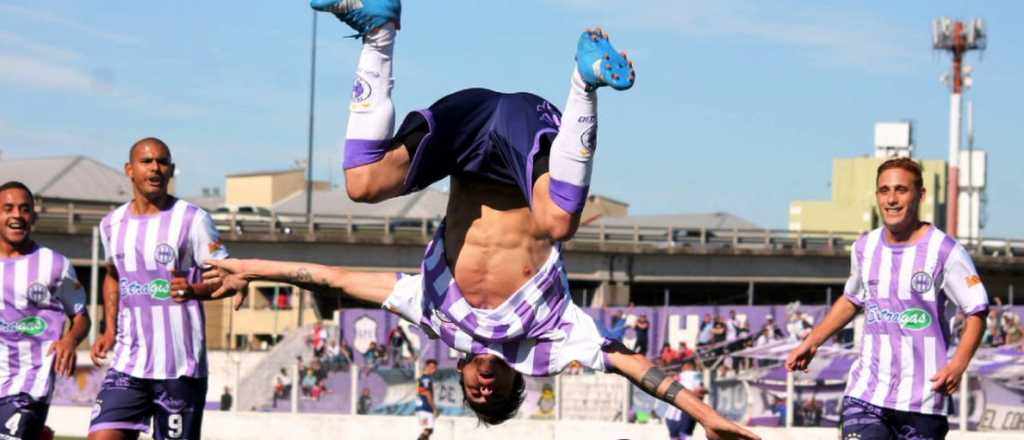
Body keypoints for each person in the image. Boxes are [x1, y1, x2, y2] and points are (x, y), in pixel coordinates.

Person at [205, 1, 758, 438]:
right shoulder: (551, 339)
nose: (484, 386)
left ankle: (379, 29)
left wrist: (246, 267)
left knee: (362, 182)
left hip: (468, 131)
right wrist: (704, 415)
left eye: (475, 392)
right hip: (523, 138)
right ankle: (583, 83)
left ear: (463, 376)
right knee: (559, 221)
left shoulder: (434, 314)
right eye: (496, 393)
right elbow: (634, 366)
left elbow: (336, 279)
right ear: (519, 378)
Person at [786, 158, 989, 440]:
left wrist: (958, 364)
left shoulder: (946, 250)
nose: (891, 199)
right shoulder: (864, 247)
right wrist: (811, 341)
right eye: (884, 190)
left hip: (924, 399)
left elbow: (977, 310)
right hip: (866, 393)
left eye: (901, 190)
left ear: (921, 195)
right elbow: (851, 300)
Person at [87, 138, 236, 440]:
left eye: (162, 162)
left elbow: (228, 278)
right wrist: (109, 329)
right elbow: (113, 275)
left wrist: (194, 289)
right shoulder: (111, 225)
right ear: (129, 169)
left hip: (179, 366)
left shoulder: (193, 220)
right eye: (147, 161)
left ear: (171, 170)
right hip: (128, 364)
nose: (155, 168)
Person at [0, 181, 91, 439]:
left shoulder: (55, 264)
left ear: (33, 216)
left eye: (24, 209)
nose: (17, 215)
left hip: (31, 381)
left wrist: (70, 340)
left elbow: (81, 316)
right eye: (8, 208)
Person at [664, 361, 706, 440]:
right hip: (676, 412)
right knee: (680, 436)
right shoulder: (680, 376)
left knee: (681, 436)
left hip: (682, 412)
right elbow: (700, 392)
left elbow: (700, 392)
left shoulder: (694, 375)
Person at [415, 360, 438, 440]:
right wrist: (434, 408)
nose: (435, 370)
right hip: (425, 407)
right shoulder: (426, 379)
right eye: (433, 367)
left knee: (428, 430)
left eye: (435, 368)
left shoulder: (421, 378)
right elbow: (427, 393)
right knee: (428, 430)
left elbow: (419, 390)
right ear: (427, 367)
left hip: (421, 407)